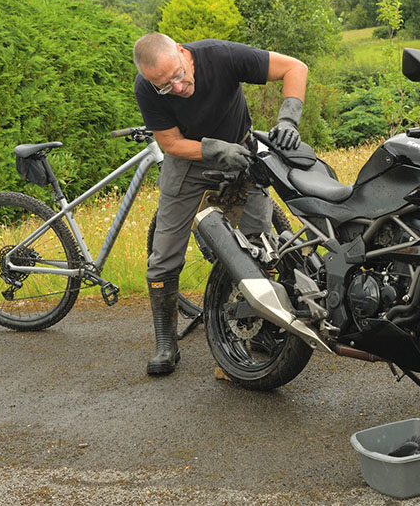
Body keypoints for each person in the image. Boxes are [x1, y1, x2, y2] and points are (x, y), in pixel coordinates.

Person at [132, 33, 308, 375]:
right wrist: (212, 149)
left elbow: (294, 68)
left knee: (258, 245)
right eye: (165, 86)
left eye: (178, 76)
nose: (177, 88)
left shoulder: (221, 56)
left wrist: (288, 120)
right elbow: (170, 143)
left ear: (183, 53)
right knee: (165, 252)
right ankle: (166, 343)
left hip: (241, 152)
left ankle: (263, 330)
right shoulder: (146, 87)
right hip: (189, 162)